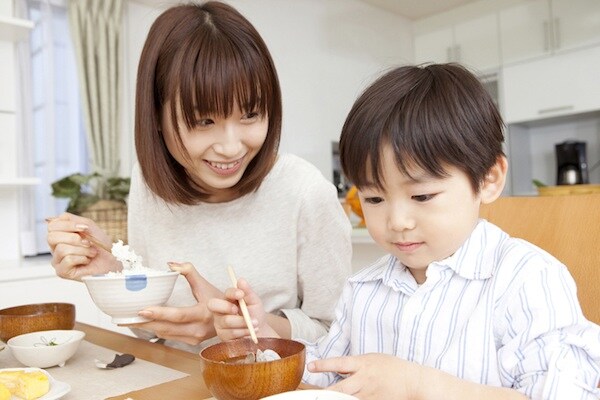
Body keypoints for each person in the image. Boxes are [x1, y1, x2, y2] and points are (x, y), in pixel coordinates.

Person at [209, 63, 600, 399]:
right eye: (375, 199)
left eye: (422, 195)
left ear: (489, 179)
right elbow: (325, 370)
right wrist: (264, 338)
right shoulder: (364, 290)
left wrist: (418, 385)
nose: (396, 221)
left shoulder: (527, 279)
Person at [46, 1, 352, 352]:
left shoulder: (304, 192)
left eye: (251, 114)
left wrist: (250, 326)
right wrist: (111, 272)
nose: (231, 146)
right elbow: (150, 332)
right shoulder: (149, 185)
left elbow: (337, 331)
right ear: (156, 115)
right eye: (204, 121)